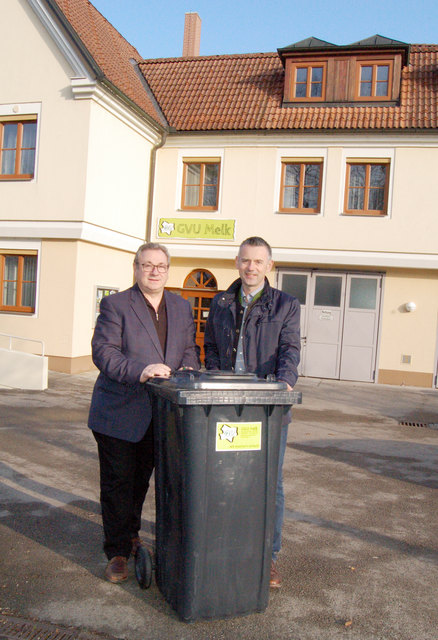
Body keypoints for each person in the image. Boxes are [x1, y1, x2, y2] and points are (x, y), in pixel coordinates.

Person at [88, 242, 200, 583]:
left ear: (168, 270)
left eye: (161, 266)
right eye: (147, 265)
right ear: (136, 268)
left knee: (141, 482)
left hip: (161, 413)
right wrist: (142, 369)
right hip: (118, 411)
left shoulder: (181, 306)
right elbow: (103, 352)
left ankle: (131, 533)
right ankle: (117, 552)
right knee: (118, 483)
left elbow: (190, 350)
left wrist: (189, 372)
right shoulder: (116, 305)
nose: (154, 271)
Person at [204, 236, 300, 588]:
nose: (251, 267)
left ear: (269, 266)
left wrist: (285, 382)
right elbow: (210, 344)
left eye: (258, 261)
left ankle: (267, 556)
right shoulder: (221, 301)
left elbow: (290, 347)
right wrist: (217, 377)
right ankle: (226, 544)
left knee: (269, 483)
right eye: (245, 260)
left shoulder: (285, 304)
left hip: (268, 407)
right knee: (226, 477)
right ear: (237, 262)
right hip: (225, 404)